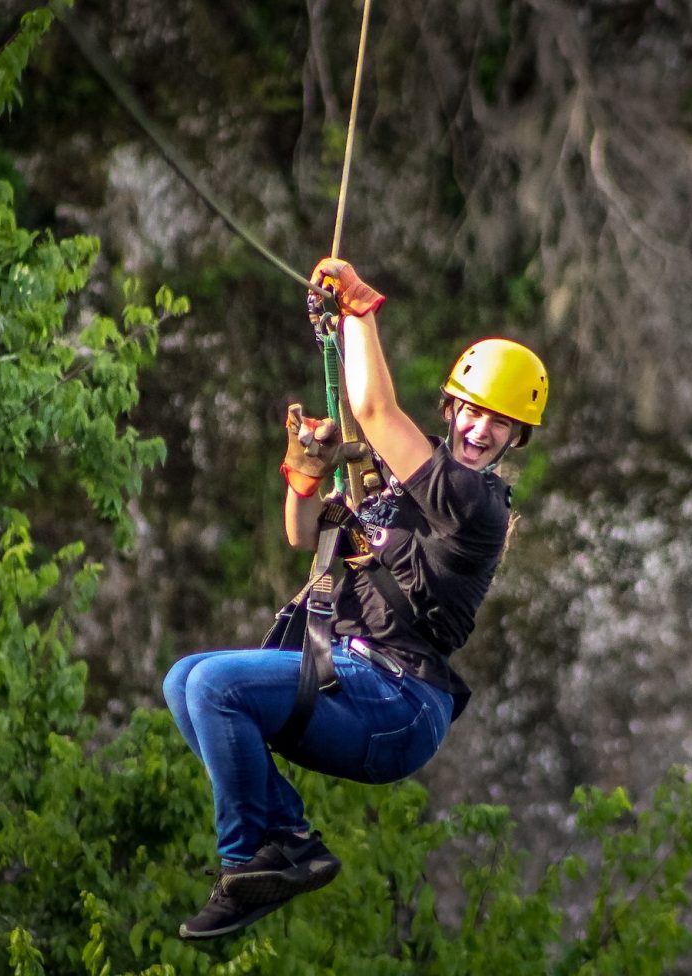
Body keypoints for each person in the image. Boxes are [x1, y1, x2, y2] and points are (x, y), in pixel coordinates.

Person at [162, 257, 548, 938]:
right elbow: (300, 535)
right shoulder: (400, 484)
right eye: (472, 411)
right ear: (451, 407)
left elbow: (372, 409)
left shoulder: (473, 502)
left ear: (515, 439)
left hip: (398, 701)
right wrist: (306, 471)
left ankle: (249, 860)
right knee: (184, 680)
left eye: (499, 424)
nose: (480, 430)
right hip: (353, 678)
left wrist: (357, 310)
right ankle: (287, 840)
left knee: (217, 685)